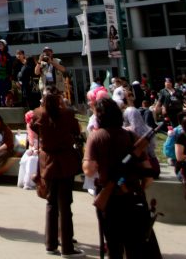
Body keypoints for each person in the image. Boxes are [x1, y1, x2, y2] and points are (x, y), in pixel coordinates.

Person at [84, 97, 160, 258]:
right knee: (136, 245)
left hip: (110, 199)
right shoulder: (131, 136)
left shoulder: (96, 137)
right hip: (133, 196)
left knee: (113, 245)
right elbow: (148, 173)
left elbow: (89, 170)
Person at [31, 89, 82, 254]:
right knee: (65, 205)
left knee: (51, 203)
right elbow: (77, 130)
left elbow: (33, 127)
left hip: (49, 161)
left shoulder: (38, 114)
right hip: (66, 160)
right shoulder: (67, 114)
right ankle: (67, 246)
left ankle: (50, 244)